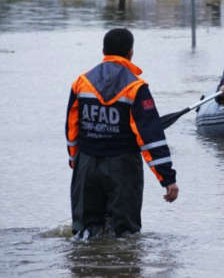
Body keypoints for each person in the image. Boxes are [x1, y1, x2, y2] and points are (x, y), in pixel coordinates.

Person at [65, 28, 178, 239]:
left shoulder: (81, 82)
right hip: (123, 167)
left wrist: (75, 162)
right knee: (126, 236)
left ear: (103, 50)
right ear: (130, 53)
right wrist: (167, 178)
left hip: (86, 164)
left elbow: (72, 128)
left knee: (84, 233)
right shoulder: (136, 87)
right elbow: (150, 136)